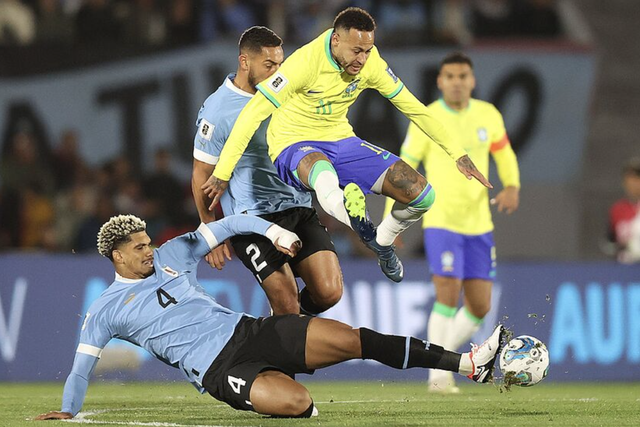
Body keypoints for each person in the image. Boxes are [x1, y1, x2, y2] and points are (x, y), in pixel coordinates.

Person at [35, 213, 505, 420]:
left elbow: (232, 225)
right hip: (221, 371)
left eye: (148, 241)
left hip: (252, 332)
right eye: (138, 247)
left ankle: (468, 364)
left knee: (356, 339)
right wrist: (69, 410)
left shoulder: (173, 253)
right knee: (297, 403)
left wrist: (272, 231)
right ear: (116, 257)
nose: (149, 250)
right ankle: (293, 400)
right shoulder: (104, 311)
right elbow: (82, 367)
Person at [201, 7, 492, 284]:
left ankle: (382, 242)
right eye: (356, 51)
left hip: (341, 139)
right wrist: (223, 171)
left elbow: (415, 108)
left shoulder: (371, 63)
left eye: (367, 50)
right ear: (336, 40)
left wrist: (458, 153)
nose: (362, 59)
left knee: (423, 196)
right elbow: (253, 113)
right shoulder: (304, 64)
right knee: (323, 173)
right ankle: (356, 218)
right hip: (292, 143)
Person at [389, 52, 520, 393]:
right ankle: (438, 374)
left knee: (479, 306)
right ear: (440, 81)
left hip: (479, 224)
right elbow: (405, 166)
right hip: (442, 221)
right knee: (447, 296)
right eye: (450, 76)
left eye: (463, 76)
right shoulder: (428, 116)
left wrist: (512, 186)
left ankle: (447, 361)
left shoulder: (487, 114)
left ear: (472, 80)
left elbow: (503, 153)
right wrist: (395, 216)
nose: (457, 82)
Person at [191, 26, 343, 316]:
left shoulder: (288, 94)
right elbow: (201, 173)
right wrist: (211, 231)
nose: (277, 72)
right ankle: (288, 334)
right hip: (252, 220)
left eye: (280, 64)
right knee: (286, 305)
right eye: (269, 65)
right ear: (245, 62)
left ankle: (287, 331)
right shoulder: (218, 111)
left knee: (329, 293)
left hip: (298, 208)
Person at [608, 157, 640, 264]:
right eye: (629, 178)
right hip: (624, 269)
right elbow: (610, 241)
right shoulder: (617, 209)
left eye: (637, 178)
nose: (633, 183)